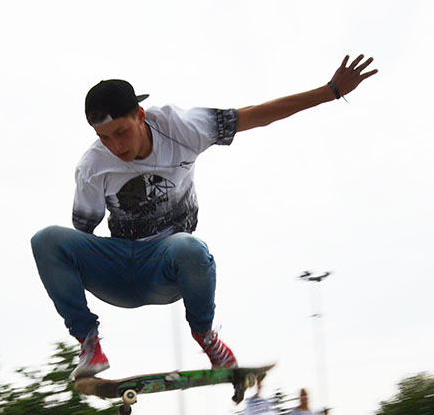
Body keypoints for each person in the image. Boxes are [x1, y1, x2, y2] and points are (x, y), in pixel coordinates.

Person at [31, 55, 377, 378]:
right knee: (46, 240)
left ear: (140, 115)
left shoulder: (181, 127)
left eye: (121, 133)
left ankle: (205, 335)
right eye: (104, 138)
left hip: (167, 267)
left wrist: (330, 92)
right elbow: (82, 240)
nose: (116, 147)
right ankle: (89, 345)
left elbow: (257, 114)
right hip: (120, 270)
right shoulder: (92, 166)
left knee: (190, 247)